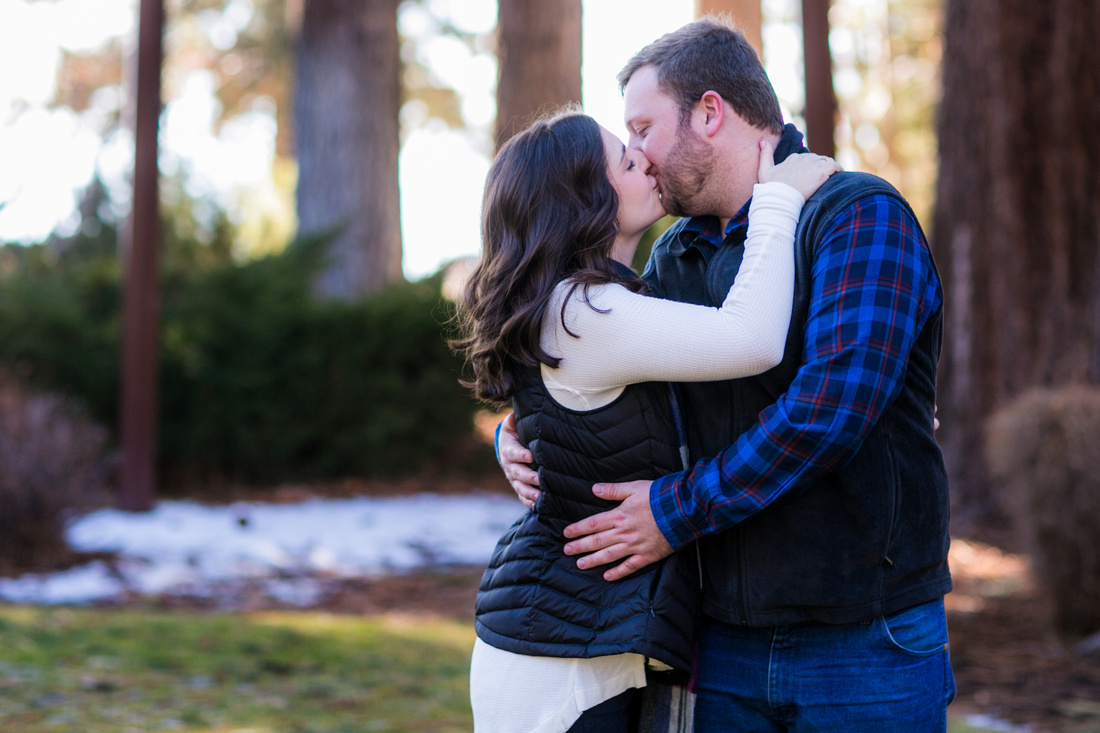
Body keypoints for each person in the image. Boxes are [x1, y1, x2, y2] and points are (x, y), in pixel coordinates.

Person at [498, 18, 956, 732]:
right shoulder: (674, 253)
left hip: (863, 638)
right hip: (717, 641)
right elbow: (624, 388)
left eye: (642, 128)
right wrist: (523, 432)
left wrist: (672, 511)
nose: (639, 155)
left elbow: (827, 412)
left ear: (709, 112)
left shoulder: (857, 218)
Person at [455, 105, 838, 733]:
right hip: (561, 669)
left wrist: (514, 436)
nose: (648, 162)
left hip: (574, 641)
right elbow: (750, 340)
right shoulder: (583, 311)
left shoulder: (583, 301)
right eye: (628, 160)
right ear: (586, 200)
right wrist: (776, 201)